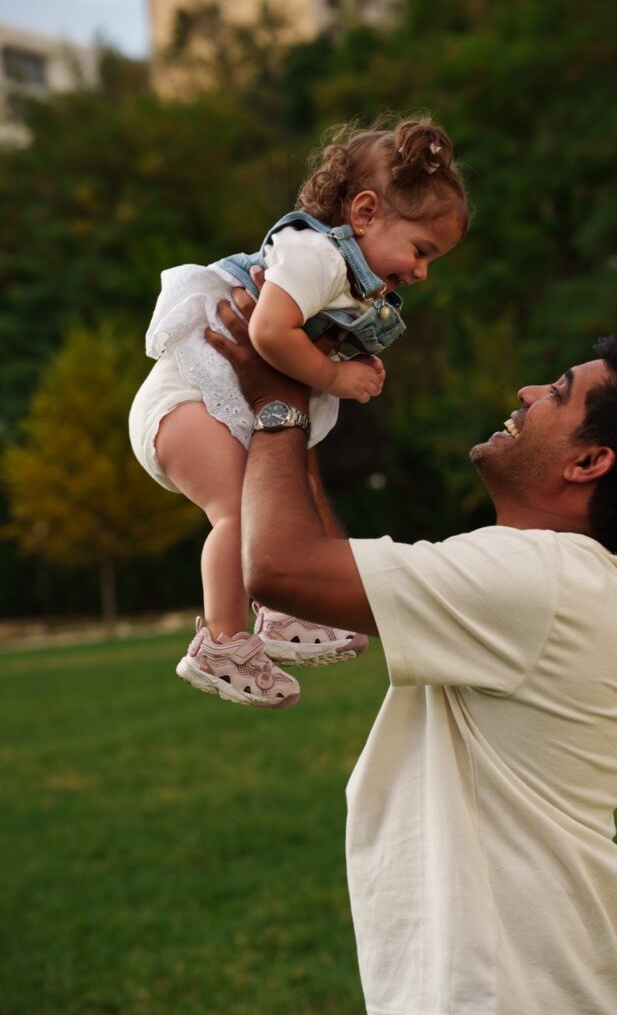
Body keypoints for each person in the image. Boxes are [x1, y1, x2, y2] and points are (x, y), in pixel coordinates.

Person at [205, 296, 617, 1015]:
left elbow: (278, 568)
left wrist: (278, 403)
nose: (525, 393)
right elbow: (312, 571)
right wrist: (297, 394)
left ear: (589, 461)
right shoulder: (556, 577)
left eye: (556, 393)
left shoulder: (540, 580)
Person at [128, 116, 468, 709]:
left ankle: (282, 616)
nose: (421, 272)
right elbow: (267, 330)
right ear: (363, 214)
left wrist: (355, 364)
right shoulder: (318, 256)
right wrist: (335, 374)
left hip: (217, 409)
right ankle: (222, 642)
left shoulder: (344, 277)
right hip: (185, 402)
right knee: (238, 513)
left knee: (284, 500)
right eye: (421, 250)